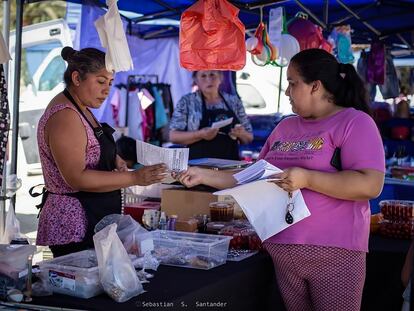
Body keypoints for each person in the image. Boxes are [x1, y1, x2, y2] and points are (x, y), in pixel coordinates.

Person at [175, 49, 385, 310]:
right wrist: (204, 175)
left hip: (335, 255)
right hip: (282, 253)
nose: (287, 91)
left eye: (292, 83)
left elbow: (370, 185)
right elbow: (253, 177)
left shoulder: (354, 122)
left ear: (315, 86)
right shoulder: (285, 127)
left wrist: (307, 178)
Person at [35, 47, 167, 258]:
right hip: (74, 225)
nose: (107, 90)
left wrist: (113, 158)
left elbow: (88, 147)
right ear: (77, 78)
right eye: (100, 81)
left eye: (110, 83)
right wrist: (133, 177)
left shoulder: (82, 107)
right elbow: (76, 177)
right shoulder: (65, 116)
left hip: (93, 217)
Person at [169, 70, 253, 160]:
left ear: (220, 78)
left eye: (212, 74)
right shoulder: (187, 102)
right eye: (203, 76)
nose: (209, 80)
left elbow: (249, 137)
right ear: (195, 80)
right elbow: (173, 136)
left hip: (229, 165)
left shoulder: (233, 101)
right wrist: (200, 135)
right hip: (197, 167)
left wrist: (240, 133)